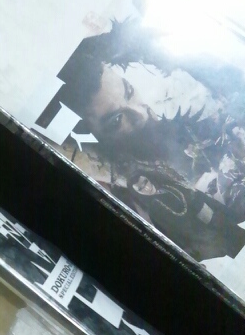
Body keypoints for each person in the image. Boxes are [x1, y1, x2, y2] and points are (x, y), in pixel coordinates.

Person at [41, 18, 245, 216]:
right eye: (117, 120)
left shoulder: (181, 87)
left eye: (129, 92)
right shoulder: (130, 170)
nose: (140, 113)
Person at [118, 168, 245, 261]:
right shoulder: (154, 211)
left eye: (145, 182)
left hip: (219, 221)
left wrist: (224, 214)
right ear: (137, 193)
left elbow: (198, 195)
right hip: (209, 237)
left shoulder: (169, 185)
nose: (146, 188)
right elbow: (176, 236)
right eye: (140, 188)